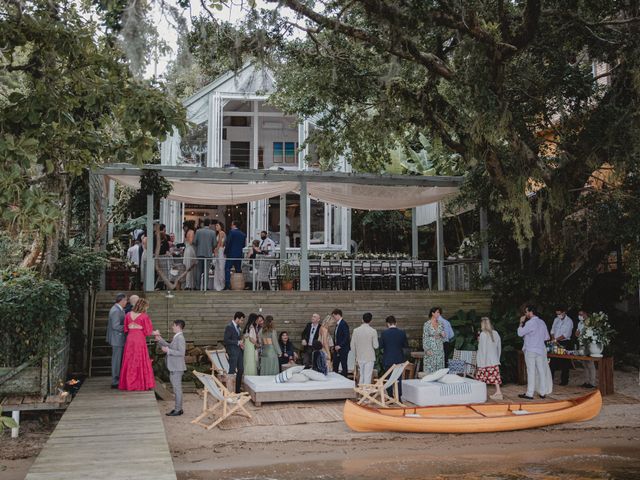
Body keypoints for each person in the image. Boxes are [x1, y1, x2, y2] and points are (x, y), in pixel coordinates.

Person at [119, 298, 155, 391]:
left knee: (129, 359)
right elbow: (147, 331)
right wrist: (155, 332)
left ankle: (128, 383)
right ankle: (139, 383)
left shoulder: (128, 314)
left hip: (130, 338)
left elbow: (126, 329)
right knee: (139, 359)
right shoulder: (144, 316)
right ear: (143, 306)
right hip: (139, 339)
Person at [517, 305, 553, 400]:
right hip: (540, 349)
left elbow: (520, 333)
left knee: (531, 371)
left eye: (526, 312)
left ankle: (529, 393)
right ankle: (542, 392)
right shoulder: (542, 322)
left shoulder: (530, 323)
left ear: (530, 312)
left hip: (531, 349)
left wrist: (521, 323)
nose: (525, 314)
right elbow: (547, 337)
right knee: (541, 371)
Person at [153, 320, 186, 416]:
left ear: (178, 326)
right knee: (176, 389)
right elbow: (169, 346)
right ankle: (178, 408)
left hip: (177, 368)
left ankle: (178, 410)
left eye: (173, 325)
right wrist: (160, 340)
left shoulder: (180, 338)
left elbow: (181, 353)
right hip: (175, 367)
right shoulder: (177, 337)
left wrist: (168, 351)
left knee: (177, 389)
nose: (172, 327)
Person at [380, 315, 408, 396]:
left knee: (388, 379)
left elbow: (380, 346)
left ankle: (390, 397)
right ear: (396, 323)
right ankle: (398, 397)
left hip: (388, 358)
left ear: (387, 324)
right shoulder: (402, 333)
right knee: (398, 379)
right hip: (399, 358)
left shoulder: (384, 333)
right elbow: (405, 345)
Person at [476, 317, 503, 400]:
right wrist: (497, 358)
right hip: (494, 360)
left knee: (481, 378)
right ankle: (498, 393)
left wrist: (481, 363)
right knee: (495, 377)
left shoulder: (483, 334)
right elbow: (499, 347)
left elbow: (482, 349)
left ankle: (480, 394)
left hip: (485, 361)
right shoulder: (496, 333)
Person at [350, 312, 379, 385]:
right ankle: (365, 394)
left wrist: (355, 356)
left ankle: (361, 393)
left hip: (359, 357)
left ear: (362, 320)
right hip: (369, 357)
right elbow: (376, 346)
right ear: (371, 321)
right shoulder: (373, 331)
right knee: (368, 376)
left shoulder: (356, 330)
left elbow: (352, 345)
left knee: (361, 375)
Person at [106, 293, 127, 389]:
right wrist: (127, 327)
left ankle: (118, 379)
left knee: (118, 360)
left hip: (119, 338)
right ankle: (115, 381)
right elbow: (115, 326)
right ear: (121, 300)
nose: (126, 302)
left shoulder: (119, 309)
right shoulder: (115, 310)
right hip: (117, 339)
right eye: (126, 300)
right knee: (116, 361)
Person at [550, 306, 574, 386]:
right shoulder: (556, 319)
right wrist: (554, 339)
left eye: (559, 314)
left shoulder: (569, 321)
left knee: (565, 362)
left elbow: (566, 334)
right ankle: (550, 379)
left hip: (564, 342)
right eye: (557, 314)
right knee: (552, 361)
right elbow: (552, 330)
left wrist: (556, 339)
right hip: (555, 342)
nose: (558, 315)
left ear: (564, 312)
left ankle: (564, 381)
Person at [224, 312, 245, 394]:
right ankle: (230, 391)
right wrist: (237, 342)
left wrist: (241, 344)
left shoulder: (238, 327)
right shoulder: (229, 327)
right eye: (241, 320)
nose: (242, 322)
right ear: (237, 318)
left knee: (241, 369)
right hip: (232, 351)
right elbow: (226, 340)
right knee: (232, 370)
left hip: (239, 351)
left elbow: (238, 339)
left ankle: (237, 390)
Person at [193, 218, 217, 290]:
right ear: (209, 224)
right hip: (208, 254)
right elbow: (215, 244)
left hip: (199, 253)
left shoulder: (198, 231)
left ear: (203, 224)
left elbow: (194, 242)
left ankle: (197, 287)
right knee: (206, 271)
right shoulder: (212, 232)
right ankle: (205, 287)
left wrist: (199, 245)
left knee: (198, 271)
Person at [575, 309, 597, 388]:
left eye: (581, 314)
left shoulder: (590, 322)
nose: (580, 316)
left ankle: (592, 382)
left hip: (588, 345)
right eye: (579, 314)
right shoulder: (580, 323)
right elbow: (577, 333)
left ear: (585, 314)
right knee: (584, 364)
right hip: (581, 344)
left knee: (590, 364)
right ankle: (586, 381)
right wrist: (577, 333)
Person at [423, 307, 446, 374]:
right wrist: (427, 349)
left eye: (439, 313)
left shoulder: (441, 324)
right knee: (430, 365)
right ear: (433, 313)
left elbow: (444, 337)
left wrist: (443, 335)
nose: (439, 314)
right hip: (431, 347)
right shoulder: (427, 324)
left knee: (439, 364)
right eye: (437, 312)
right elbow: (425, 337)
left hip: (439, 347)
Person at [224, 220, 247, 289]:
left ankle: (228, 285)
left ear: (234, 225)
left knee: (227, 268)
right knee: (238, 270)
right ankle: (239, 285)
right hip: (239, 254)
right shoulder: (243, 234)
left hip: (231, 254)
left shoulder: (232, 232)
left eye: (231, 225)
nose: (231, 226)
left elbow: (228, 243)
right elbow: (243, 245)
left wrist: (225, 252)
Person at [332, 309, 350, 376]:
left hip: (343, 348)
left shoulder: (343, 323)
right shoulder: (338, 324)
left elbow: (346, 337)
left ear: (338, 315)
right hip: (337, 349)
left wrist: (340, 345)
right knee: (335, 364)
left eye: (334, 316)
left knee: (343, 365)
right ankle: (336, 379)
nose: (333, 318)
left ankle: (345, 379)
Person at [213, 222, 226, 291]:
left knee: (221, 267)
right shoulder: (218, 233)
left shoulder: (221, 233)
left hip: (220, 250)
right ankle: (218, 284)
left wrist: (216, 250)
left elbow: (220, 243)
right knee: (218, 267)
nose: (216, 227)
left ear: (221, 226)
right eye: (216, 225)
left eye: (217, 225)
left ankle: (221, 284)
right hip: (219, 250)